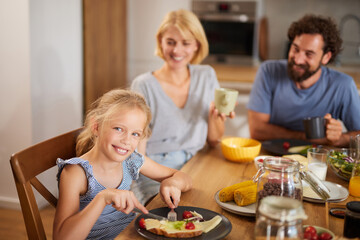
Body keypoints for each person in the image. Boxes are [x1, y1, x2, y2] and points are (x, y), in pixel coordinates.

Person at [53, 89, 192, 240]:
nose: (126, 140)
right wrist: (102, 198)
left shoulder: (131, 160)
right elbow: (62, 237)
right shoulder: (76, 173)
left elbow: (184, 178)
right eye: (118, 129)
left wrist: (172, 182)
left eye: (135, 134)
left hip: (130, 235)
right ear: (96, 126)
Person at [130, 9, 235, 204]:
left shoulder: (207, 75)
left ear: (197, 45)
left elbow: (214, 140)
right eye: (170, 42)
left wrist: (216, 117)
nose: (177, 50)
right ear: (160, 41)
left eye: (186, 43)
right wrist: (173, 178)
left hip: (199, 162)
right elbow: (137, 157)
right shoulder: (143, 85)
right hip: (157, 171)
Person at [247, 14, 360, 147]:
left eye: (309, 54)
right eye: (295, 49)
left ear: (326, 57)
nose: (298, 60)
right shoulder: (269, 71)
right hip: (271, 159)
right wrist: (309, 138)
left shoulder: (343, 85)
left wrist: (339, 139)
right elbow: (257, 130)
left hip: (318, 162)